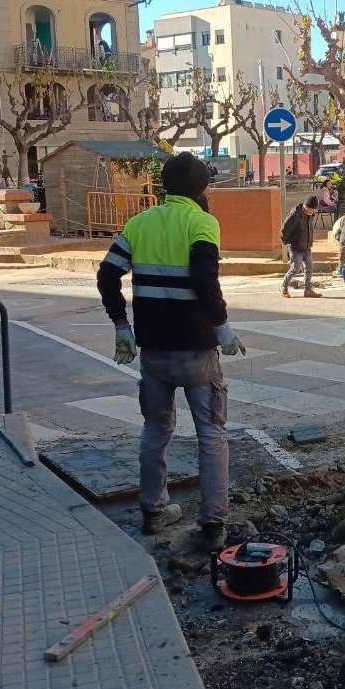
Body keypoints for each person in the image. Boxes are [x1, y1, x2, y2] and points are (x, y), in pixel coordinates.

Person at [96, 152, 245, 549]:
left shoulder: (139, 223)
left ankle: (154, 513)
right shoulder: (202, 222)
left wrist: (121, 326)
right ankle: (214, 526)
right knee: (211, 432)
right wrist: (224, 330)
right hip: (197, 353)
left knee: (155, 430)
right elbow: (204, 278)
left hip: (154, 352)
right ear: (200, 188)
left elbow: (107, 274)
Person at [280, 195, 322, 298]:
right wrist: (288, 242)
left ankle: (308, 290)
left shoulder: (310, 215)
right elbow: (284, 231)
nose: (313, 212)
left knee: (309, 268)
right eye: (312, 209)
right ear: (306, 206)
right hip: (295, 247)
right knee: (295, 268)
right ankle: (284, 286)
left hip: (307, 247)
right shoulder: (295, 215)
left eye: (314, 210)